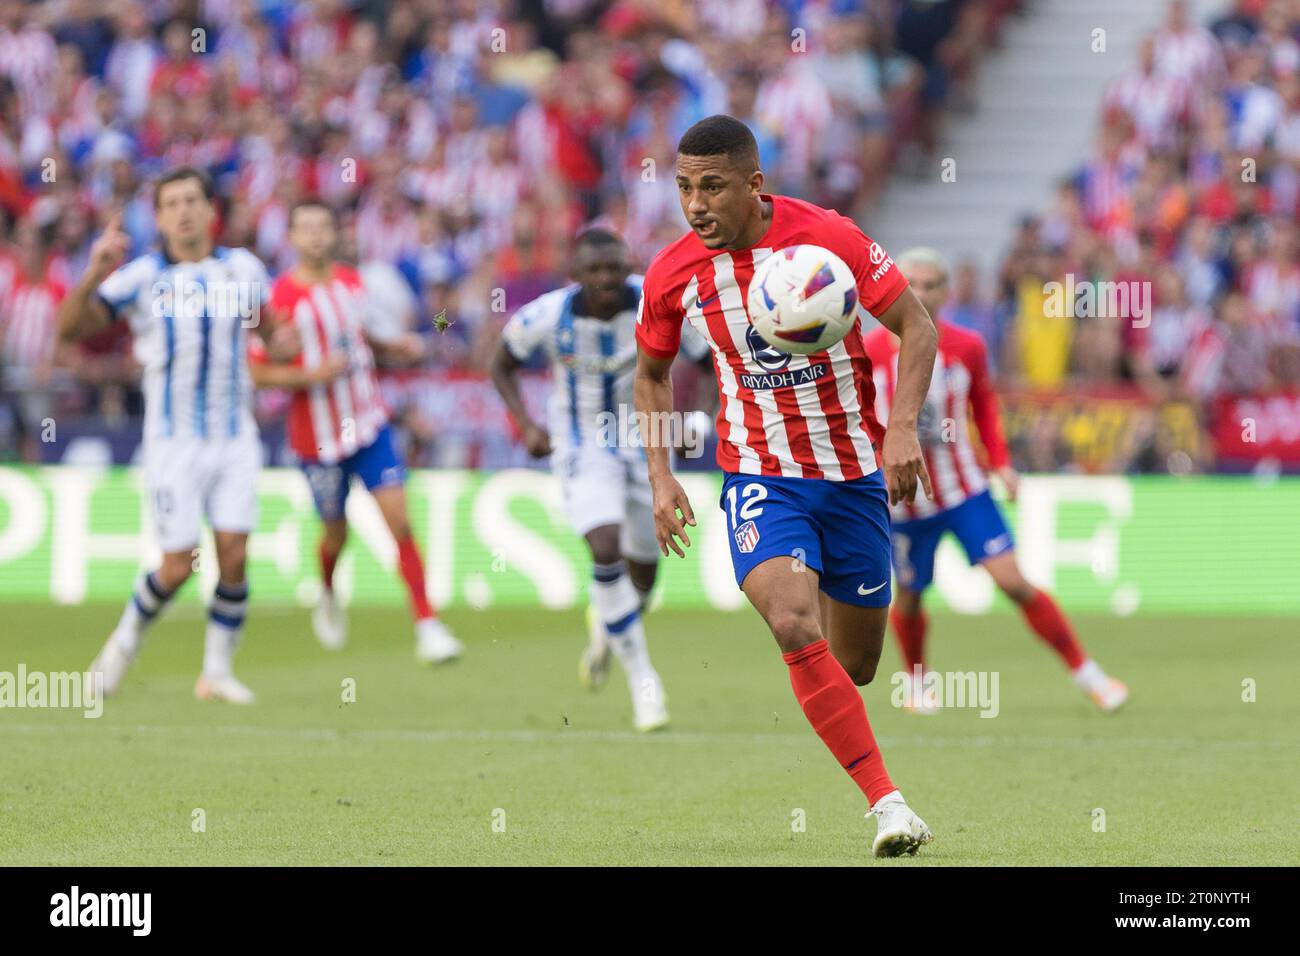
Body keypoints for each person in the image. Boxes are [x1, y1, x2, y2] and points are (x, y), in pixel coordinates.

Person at [633, 115, 940, 858]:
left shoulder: (828, 238)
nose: (696, 204)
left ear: (754, 183)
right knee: (791, 620)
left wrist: (901, 428)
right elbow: (649, 374)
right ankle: (889, 806)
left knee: (857, 665)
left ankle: (845, 720)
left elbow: (917, 327)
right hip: (760, 473)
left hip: (852, 474)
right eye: (683, 188)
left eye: (712, 187)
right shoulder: (674, 273)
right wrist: (662, 474)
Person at [863, 247, 1129, 713]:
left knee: (1012, 582)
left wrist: (1001, 462)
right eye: (913, 284)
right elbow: (862, 417)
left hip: (964, 489)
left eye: (930, 285)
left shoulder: (967, 347)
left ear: (947, 292)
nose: (921, 293)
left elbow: (983, 405)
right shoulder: (871, 351)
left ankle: (1089, 674)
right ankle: (918, 683)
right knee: (907, 596)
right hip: (902, 500)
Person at [58, 167, 279, 703]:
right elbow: (69, 330)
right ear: (158, 217)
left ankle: (217, 672)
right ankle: (122, 646)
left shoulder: (243, 269)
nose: (183, 211)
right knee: (179, 564)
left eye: (191, 200)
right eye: (171, 203)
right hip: (172, 443)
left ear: (210, 211)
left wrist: (289, 342)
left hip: (234, 438)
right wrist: (92, 274)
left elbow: (271, 330)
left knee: (233, 553)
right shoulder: (141, 277)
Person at [489, 227, 712, 731]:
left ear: (626, 264)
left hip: (647, 443)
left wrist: (700, 420)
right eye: (595, 270)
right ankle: (644, 683)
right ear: (576, 275)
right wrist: (526, 424)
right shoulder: (546, 316)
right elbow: (500, 363)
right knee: (604, 546)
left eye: (614, 267)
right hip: (582, 444)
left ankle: (606, 627)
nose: (607, 278)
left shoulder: (659, 302)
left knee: (643, 580)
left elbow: (714, 362)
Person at [248, 199, 462, 664]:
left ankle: (428, 625)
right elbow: (258, 373)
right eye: (306, 228)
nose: (317, 236)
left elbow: (365, 336)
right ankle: (326, 590)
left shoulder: (353, 282)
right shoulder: (280, 299)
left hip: (368, 425)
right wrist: (312, 374)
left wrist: (396, 346)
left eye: (324, 226)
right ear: (292, 237)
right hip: (317, 440)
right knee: (335, 534)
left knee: (400, 521)